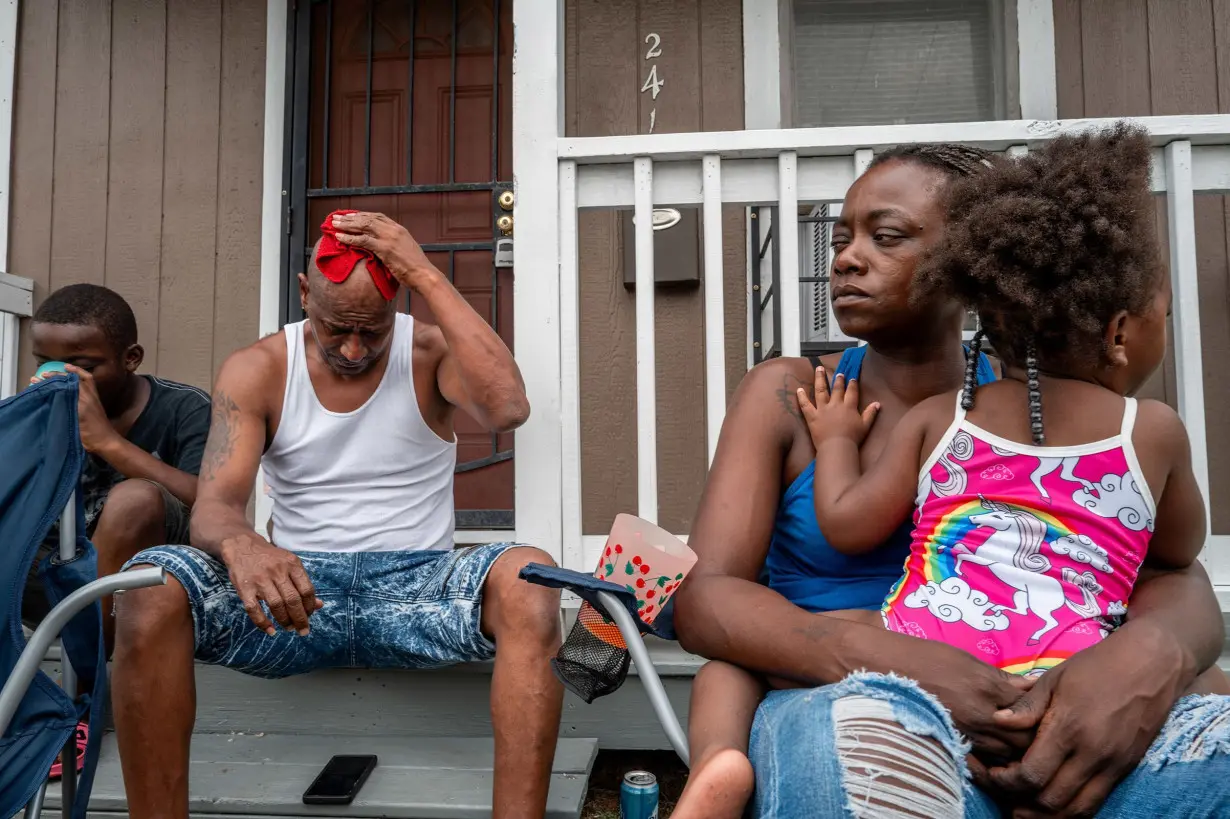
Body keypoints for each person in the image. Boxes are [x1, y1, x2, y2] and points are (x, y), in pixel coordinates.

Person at [672, 139, 1230, 819]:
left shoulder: (1036, 405)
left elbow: (1172, 567)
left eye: (887, 236)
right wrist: (888, 656)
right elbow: (703, 597)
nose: (845, 257)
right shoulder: (797, 395)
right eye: (843, 237)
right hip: (836, 694)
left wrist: (1148, 655)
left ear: (971, 266)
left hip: (1038, 698)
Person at [109, 212, 564, 819]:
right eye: (334, 328)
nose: (353, 348)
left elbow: (507, 408)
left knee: (532, 577)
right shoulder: (259, 368)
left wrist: (424, 272)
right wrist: (245, 546)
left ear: (396, 304)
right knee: (150, 584)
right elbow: (215, 507)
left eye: (371, 332)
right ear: (303, 294)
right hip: (296, 597)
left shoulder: (428, 351)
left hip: (417, 586)